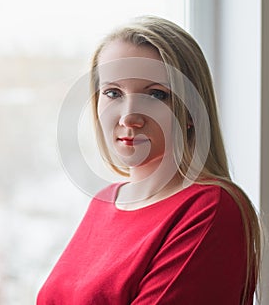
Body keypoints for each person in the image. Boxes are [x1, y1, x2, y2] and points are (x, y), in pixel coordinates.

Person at [37, 16, 261, 304]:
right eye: (113, 93)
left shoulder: (209, 208)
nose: (129, 116)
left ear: (192, 110)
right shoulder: (104, 200)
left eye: (156, 94)